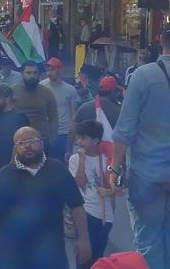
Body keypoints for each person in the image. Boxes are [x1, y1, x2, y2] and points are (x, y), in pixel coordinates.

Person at [0, 126, 92, 269]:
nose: (27, 146)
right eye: (21, 143)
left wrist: (84, 239)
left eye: (32, 140)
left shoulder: (57, 170)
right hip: (13, 255)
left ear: (41, 144)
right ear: (15, 148)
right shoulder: (4, 176)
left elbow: (76, 205)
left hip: (51, 253)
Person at [110, 28, 170, 268]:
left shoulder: (143, 76)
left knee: (148, 242)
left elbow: (125, 128)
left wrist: (114, 169)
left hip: (147, 175)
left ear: (161, 41)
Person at [68, 121, 116, 269]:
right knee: (83, 256)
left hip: (104, 215)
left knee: (97, 257)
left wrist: (108, 191)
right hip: (85, 212)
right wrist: (82, 159)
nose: (79, 141)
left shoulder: (108, 160)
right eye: (78, 137)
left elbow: (118, 188)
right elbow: (79, 184)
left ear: (95, 140)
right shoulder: (74, 159)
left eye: (83, 138)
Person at [12, 60, 59, 151]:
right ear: (22, 74)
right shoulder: (13, 91)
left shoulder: (47, 93)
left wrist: (52, 138)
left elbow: (54, 118)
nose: (32, 76)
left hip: (41, 140)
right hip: (18, 141)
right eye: (28, 73)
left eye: (35, 72)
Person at [40, 57, 80, 159]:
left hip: (63, 133)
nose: (49, 73)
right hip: (46, 132)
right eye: (48, 70)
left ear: (61, 70)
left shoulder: (70, 90)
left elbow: (74, 115)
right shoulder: (41, 87)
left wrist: (74, 134)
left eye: (52, 70)